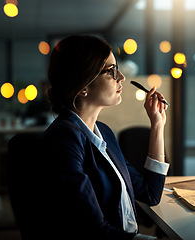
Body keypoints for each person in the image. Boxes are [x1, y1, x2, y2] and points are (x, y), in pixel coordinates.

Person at [41, 35, 169, 240]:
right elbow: (94, 231)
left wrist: (157, 125)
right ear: (82, 84)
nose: (122, 78)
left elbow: (150, 194)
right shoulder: (63, 139)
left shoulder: (104, 133)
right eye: (111, 71)